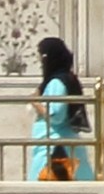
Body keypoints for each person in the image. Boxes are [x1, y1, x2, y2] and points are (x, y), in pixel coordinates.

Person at [27, 34, 88, 179]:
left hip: (56, 147)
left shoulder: (57, 83)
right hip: (56, 144)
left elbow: (56, 116)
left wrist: (36, 102)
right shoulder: (62, 79)